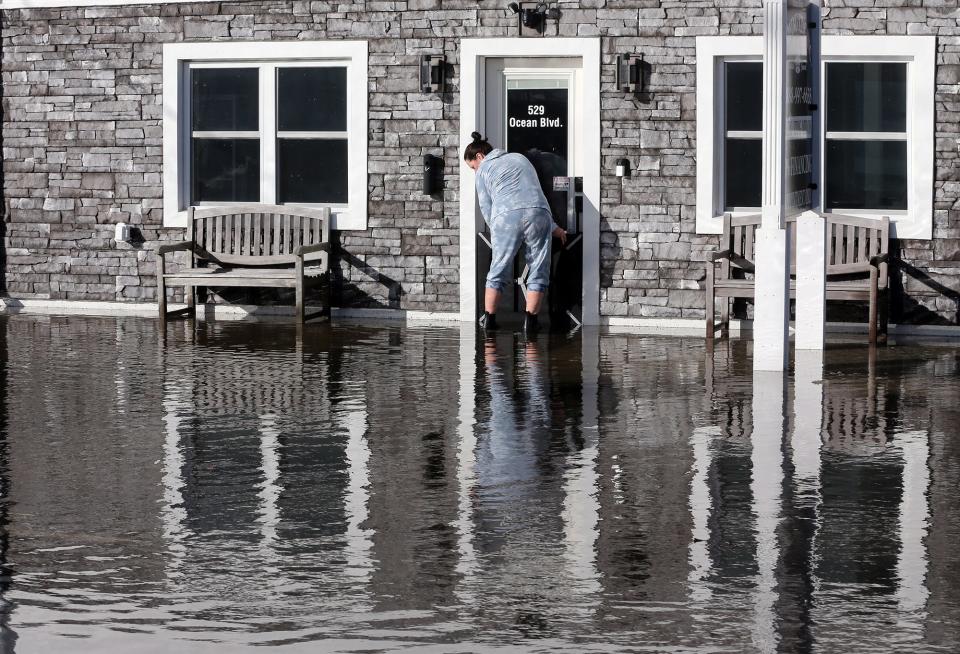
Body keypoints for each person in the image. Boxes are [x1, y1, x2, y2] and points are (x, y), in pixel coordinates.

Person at [463, 132, 566, 334]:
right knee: (538, 270)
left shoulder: (484, 170)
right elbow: (536, 193)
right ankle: (531, 323)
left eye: (472, 167)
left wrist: (498, 234)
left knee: (498, 269)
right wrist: (554, 228)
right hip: (539, 213)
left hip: (506, 215)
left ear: (479, 157)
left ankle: (490, 321)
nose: (475, 171)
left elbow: (487, 208)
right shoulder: (521, 158)